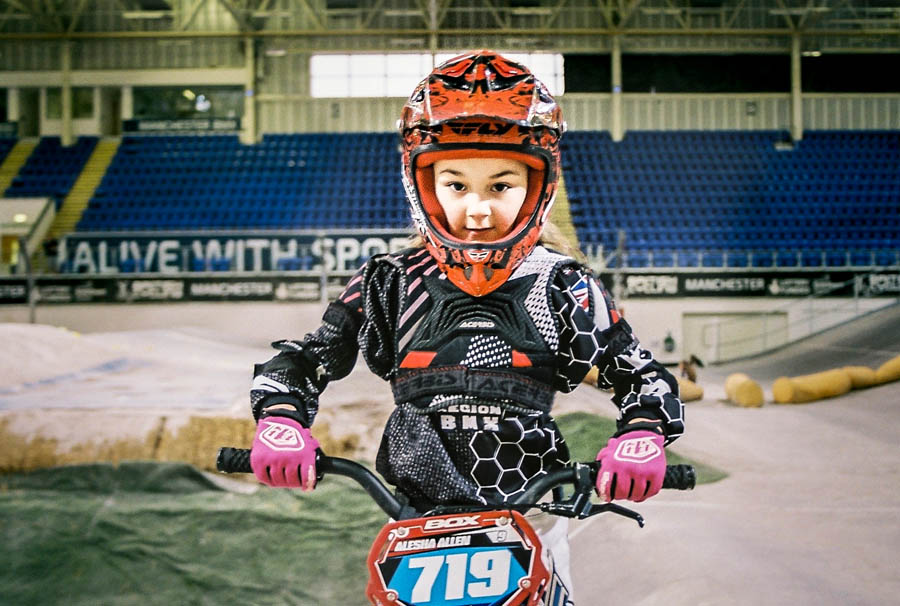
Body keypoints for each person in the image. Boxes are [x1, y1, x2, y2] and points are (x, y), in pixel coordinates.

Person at [247, 50, 685, 603]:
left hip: (533, 519)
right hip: (414, 525)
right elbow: (305, 357)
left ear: (538, 187)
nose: (477, 209)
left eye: (500, 186)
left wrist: (642, 434)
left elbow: (641, 375)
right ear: (423, 185)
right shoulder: (389, 281)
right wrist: (282, 421)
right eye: (456, 185)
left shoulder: (564, 284)